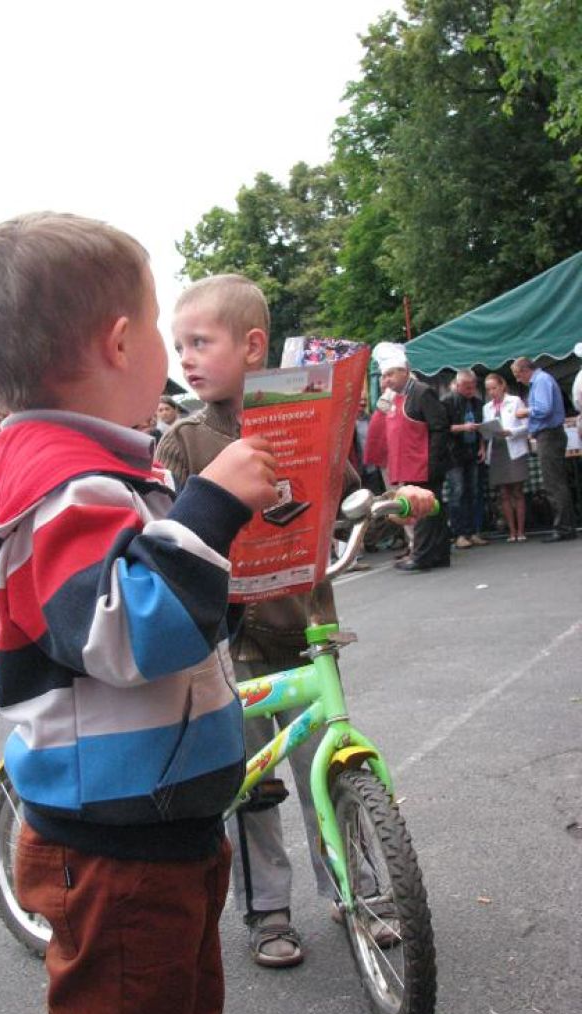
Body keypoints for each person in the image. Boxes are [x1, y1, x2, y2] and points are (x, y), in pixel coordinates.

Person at [0, 211, 279, 1014]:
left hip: (157, 826)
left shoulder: (98, 472)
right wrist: (209, 506)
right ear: (119, 342)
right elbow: (125, 633)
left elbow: (163, 617)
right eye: (160, 332)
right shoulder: (61, 484)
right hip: (115, 848)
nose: (174, 362)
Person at [157, 276, 434, 966]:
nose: (186, 358)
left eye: (200, 342)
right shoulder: (186, 439)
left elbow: (347, 494)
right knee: (255, 783)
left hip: (308, 625)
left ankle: (357, 889)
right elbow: (166, 532)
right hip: (236, 639)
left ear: (254, 346)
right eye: (178, 346)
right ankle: (269, 912)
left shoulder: (303, 415)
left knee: (326, 769)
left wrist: (395, 500)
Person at [373, 343, 451, 572]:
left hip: (424, 463)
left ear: (404, 370)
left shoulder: (421, 391)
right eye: (384, 375)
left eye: (389, 374)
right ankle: (439, 555)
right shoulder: (398, 397)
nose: (386, 380)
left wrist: (433, 462)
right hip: (412, 463)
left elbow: (439, 427)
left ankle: (422, 556)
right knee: (433, 511)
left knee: (422, 511)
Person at [512, 357, 577, 542]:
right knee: (557, 481)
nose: (518, 379)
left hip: (549, 435)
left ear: (526, 370)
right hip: (551, 434)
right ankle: (566, 525)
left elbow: (543, 408)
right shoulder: (544, 379)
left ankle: (563, 527)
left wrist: (525, 412)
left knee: (553, 483)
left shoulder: (540, 381)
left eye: (518, 375)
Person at [442, 370, 487, 549]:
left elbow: (482, 427)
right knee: (458, 492)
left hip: (473, 450)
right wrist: (463, 427)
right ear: (458, 385)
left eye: (473, 386)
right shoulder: (447, 401)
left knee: (474, 491)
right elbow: (443, 427)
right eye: (467, 387)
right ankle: (459, 533)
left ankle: (474, 531)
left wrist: (483, 446)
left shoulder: (478, 403)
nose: (471, 390)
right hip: (454, 454)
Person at [482, 373, 530, 542]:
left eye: (494, 387)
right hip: (496, 449)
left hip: (513, 447)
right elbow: (486, 431)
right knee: (504, 493)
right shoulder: (487, 407)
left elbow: (526, 426)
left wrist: (510, 431)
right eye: (488, 389)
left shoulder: (515, 401)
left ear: (502, 386)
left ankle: (521, 531)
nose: (492, 392)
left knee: (517, 491)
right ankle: (511, 531)